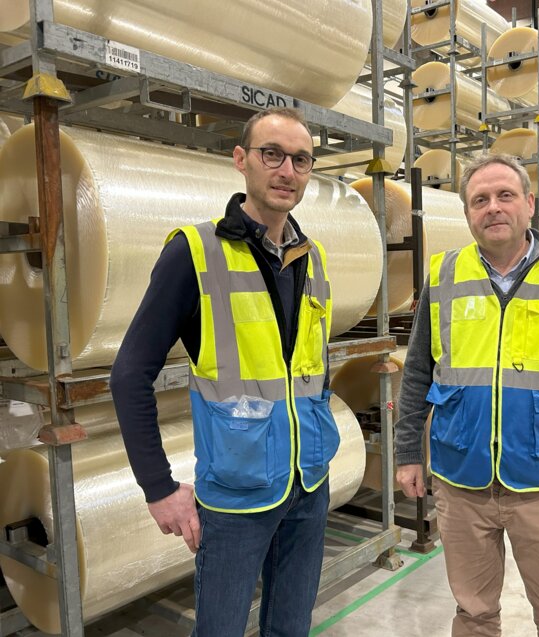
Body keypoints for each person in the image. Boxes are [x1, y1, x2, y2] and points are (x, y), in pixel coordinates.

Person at [112, 106, 339, 637]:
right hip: (237, 493)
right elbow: (129, 374)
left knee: (291, 628)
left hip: (309, 482)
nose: (287, 171)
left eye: (301, 160)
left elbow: (313, 372)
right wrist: (158, 487)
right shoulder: (195, 252)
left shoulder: (313, 258)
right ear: (242, 161)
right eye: (272, 155)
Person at [395, 154, 539, 636]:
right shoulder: (443, 276)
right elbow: (417, 371)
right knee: (474, 614)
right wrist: (406, 453)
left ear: (529, 204)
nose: (493, 208)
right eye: (480, 200)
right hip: (461, 480)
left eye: (505, 195)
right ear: (467, 214)